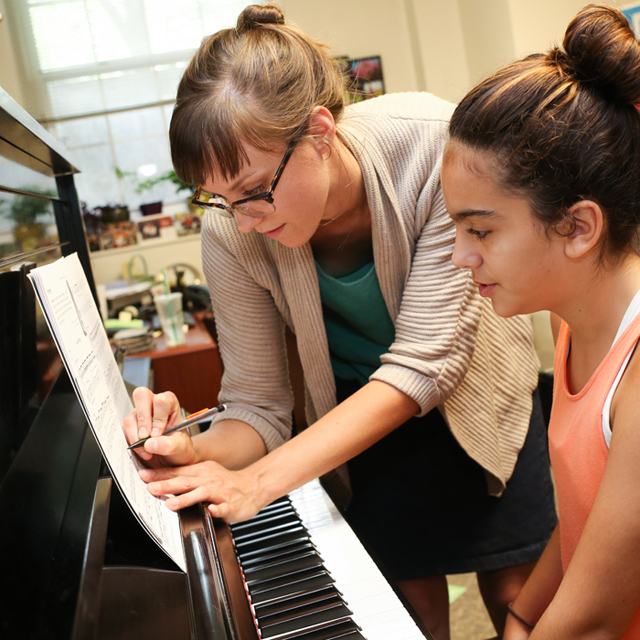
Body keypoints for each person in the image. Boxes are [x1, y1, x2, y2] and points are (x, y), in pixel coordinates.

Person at [124, 4, 557, 637]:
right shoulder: (231, 228)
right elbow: (259, 408)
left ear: (319, 131)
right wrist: (190, 448)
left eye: (251, 191)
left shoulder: (433, 147)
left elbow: (425, 365)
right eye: (217, 198)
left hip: (483, 403)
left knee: (521, 595)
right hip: (355, 427)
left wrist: (259, 484)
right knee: (405, 612)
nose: (240, 219)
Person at [441, 4, 640, 638]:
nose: (460, 256)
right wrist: (524, 611)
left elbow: (598, 622)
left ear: (578, 227)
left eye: (480, 230)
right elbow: (588, 516)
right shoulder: (569, 327)